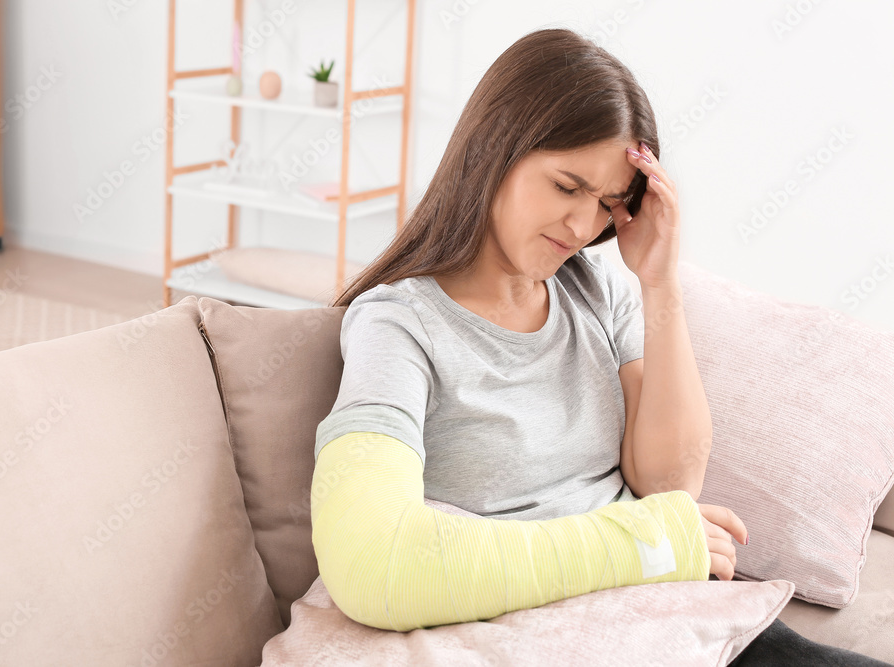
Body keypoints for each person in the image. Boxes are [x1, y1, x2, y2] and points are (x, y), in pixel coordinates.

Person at [311, 27, 892, 666]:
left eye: (608, 203)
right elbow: (375, 565)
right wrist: (640, 545)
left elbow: (670, 486)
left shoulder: (594, 291)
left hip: (663, 615)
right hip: (540, 636)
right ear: (494, 151)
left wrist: (659, 283)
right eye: (566, 187)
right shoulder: (398, 324)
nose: (582, 226)